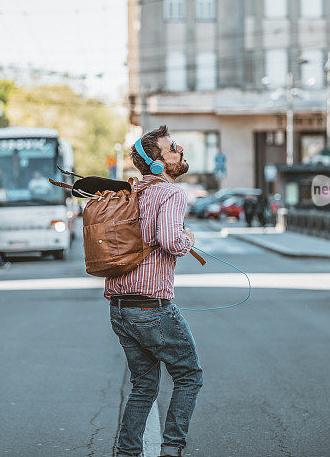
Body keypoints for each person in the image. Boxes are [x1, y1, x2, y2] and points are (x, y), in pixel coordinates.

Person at [107, 125, 202, 457]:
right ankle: (172, 449)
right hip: (151, 308)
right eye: (173, 147)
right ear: (158, 163)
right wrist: (188, 239)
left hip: (119, 307)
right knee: (189, 375)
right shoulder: (171, 193)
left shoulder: (131, 193)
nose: (180, 150)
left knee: (144, 386)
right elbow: (170, 240)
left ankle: (127, 452)